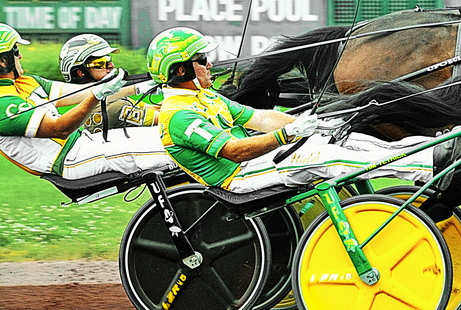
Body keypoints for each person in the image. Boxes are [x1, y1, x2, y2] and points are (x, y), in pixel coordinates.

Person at [149, 27, 436, 193]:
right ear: (180, 69)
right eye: (202, 60)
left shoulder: (205, 98)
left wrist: (312, 125)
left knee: (340, 138)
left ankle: (432, 150)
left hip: (261, 161)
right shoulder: (178, 115)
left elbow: (260, 117)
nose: (210, 64)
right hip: (240, 177)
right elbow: (234, 151)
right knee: (327, 155)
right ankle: (426, 169)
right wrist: (288, 135)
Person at [0, 23, 174, 179]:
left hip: (86, 142)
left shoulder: (27, 82)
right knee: (175, 151)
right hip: (70, 160)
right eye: (16, 51)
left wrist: (141, 86)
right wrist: (96, 95)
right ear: (3, 61)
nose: (20, 56)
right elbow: (60, 129)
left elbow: (83, 93)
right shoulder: (3, 104)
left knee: (171, 134)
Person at [59, 33, 160, 133]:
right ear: (81, 72)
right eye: (102, 62)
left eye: (109, 59)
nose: (111, 65)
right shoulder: (114, 108)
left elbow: (155, 108)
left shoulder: (111, 100)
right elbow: (168, 118)